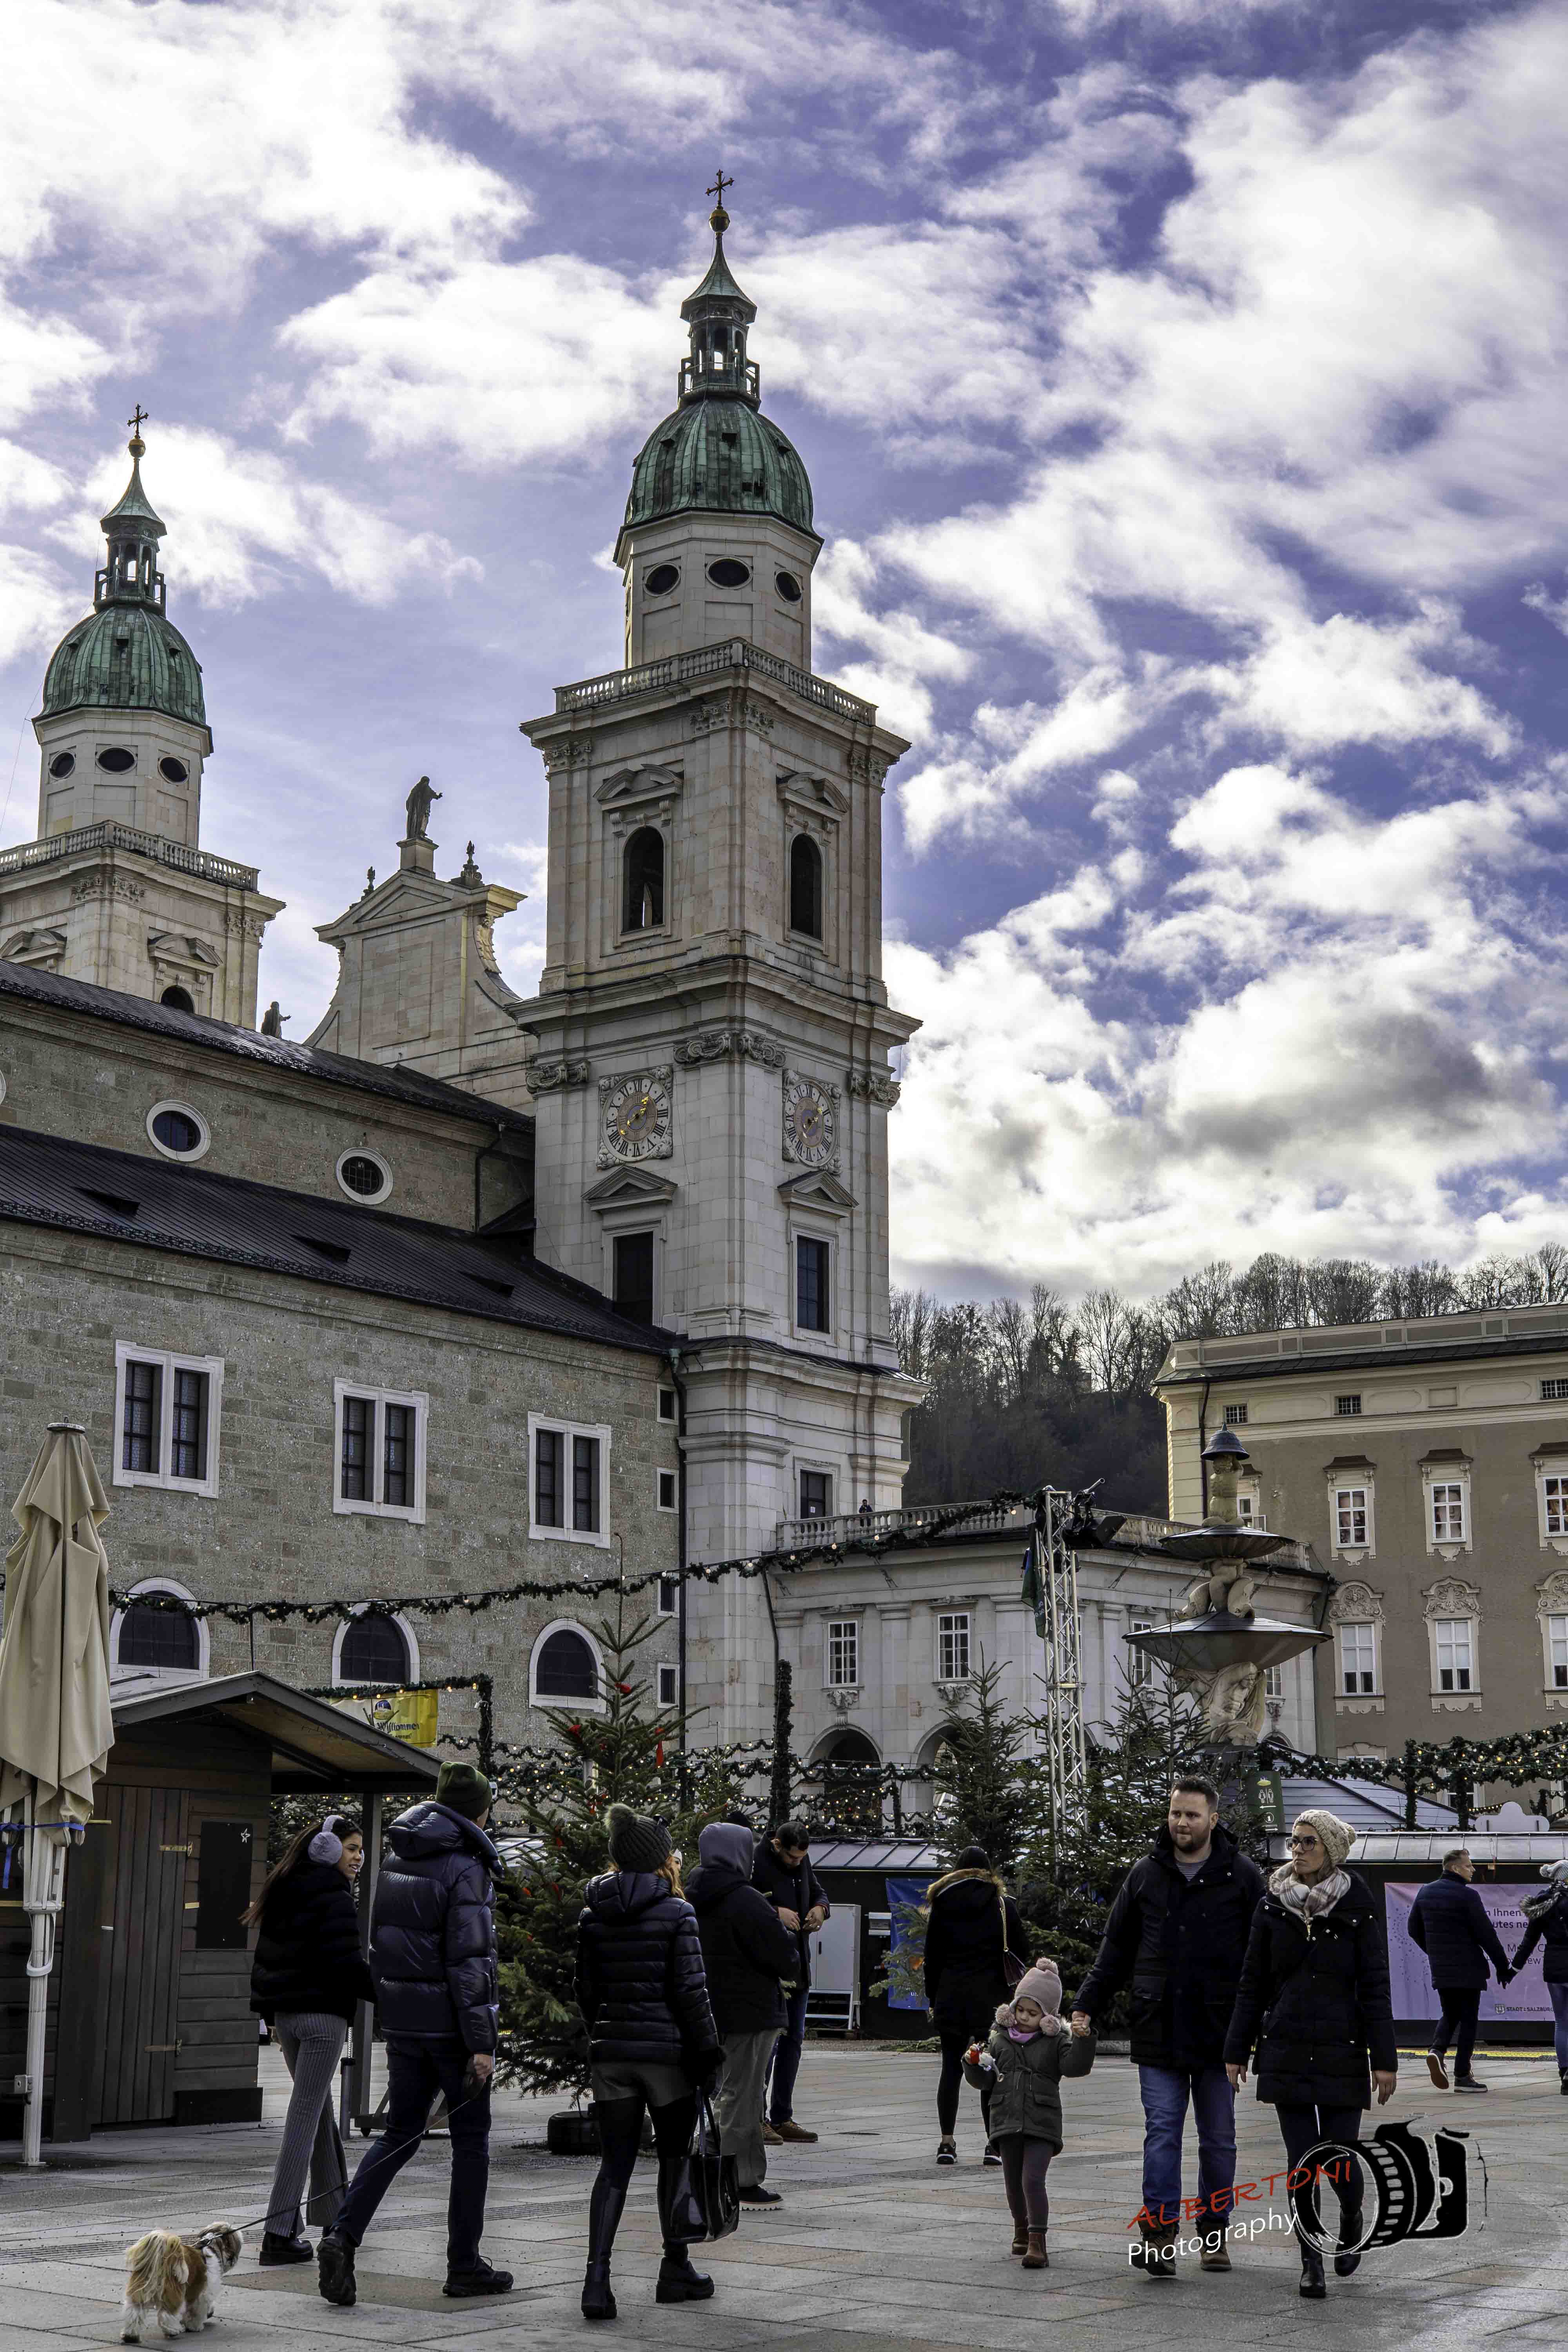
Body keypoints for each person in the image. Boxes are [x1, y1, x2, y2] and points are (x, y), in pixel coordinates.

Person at [317, 1763, 508, 2308]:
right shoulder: (466, 1867)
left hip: (404, 2025)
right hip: (452, 2027)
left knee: (399, 2133)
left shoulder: (397, 1855)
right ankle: (464, 2264)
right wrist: (481, 2042)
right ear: (478, 1810)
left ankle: (342, 2235)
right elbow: (470, 1963)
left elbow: (385, 1944)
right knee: (471, 2143)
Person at [1071, 1777, 1264, 2279]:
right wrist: (1084, 2004)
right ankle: (1158, 2236)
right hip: (1157, 2027)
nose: (1181, 1822)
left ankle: (1215, 2231)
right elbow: (1115, 1949)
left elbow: (1263, 1958)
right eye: (1176, 1813)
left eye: (1192, 1815)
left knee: (1218, 2138)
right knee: (1161, 2135)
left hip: (1220, 2032)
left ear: (1213, 1820)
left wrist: (1256, 2026)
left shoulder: (1242, 1876)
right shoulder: (1146, 1874)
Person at [1225, 1810, 1398, 2300]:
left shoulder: (1357, 1906)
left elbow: (1375, 1986)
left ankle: (1350, 2215)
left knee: (1339, 2161)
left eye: (1308, 1843)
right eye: (1294, 1842)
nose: (1297, 1850)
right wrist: (1236, 2051)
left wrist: (1383, 2059)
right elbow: (1251, 1983)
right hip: (1287, 2046)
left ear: (1330, 1851)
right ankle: (1311, 2261)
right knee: (1302, 2161)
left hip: (1343, 2048)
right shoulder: (1271, 1904)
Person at [575, 1803, 724, 2321]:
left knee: (613, 2167)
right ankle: (674, 2268)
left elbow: (586, 1990)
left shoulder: (593, 1913)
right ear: (660, 1859)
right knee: (674, 2157)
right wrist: (707, 2051)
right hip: (667, 2058)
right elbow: (691, 1992)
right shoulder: (677, 1913)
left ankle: (597, 2282)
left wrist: (605, 2035)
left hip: (612, 2055)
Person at [245, 1812, 375, 2265]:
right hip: (323, 2021)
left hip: (288, 2019)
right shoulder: (335, 1895)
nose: (359, 1857)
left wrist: (270, 2015)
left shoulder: (283, 1887)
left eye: (361, 1849)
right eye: (353, 1848)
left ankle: (335, 2217)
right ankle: (278, 2234)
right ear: (326, 1848)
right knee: (303, 2120)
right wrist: (388, 1996)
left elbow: (265, 1960)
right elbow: (348, 1961)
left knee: (318, 2114)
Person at [690, 1822, 800, 2207]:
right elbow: (785, 1961)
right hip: (751, 2013)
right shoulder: (747, 1900)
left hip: (704, 2012)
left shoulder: (689, 1896)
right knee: (744, 2097)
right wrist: (790, 1946)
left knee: (721, 2092)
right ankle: (741, 2178)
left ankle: (707, 2163)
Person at [962, 1962, 1096, 2270]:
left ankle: (1038, 2241)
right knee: (1012, 2183)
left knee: (1032, 2180)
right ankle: (1020, 2228)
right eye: (1020, 2010)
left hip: (1041, 2122)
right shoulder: (998, 2040)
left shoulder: (1056, 2042)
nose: (1024, 2018)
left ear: (1048, 2017)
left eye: (1033, 2013)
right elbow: (984, 2081)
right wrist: (972, 2063)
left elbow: (1076, 2066)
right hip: (1006, 2120)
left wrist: (1084, 2039)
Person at [922, 1844, 1029, 2165]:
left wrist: (933, 1998)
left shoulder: (941, 1903)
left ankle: (947, 2143)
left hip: (952, 1996)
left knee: (950, 2071)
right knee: (989, 2067)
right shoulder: (1001, 1905)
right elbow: (1021, 1949)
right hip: (990, 1999)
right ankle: (992, 2145)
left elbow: (932, 1958)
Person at [1410, 1847, 1512, 2091]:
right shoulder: (1468, 1896)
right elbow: (1486, 1935)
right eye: (1469, 1866)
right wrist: (1503, 1966)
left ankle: (1437, 2050)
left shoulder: (1425, 1893)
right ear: (1455, 1868)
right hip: (1469, 1969)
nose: (1473, 1870)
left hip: (1441, 1968)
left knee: (1450, 2013)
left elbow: (1413, 1929)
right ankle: (1463, 2076)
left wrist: (1434, 1952)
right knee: (1468, 2021)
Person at [752, 1819, 829, 2143]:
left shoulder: (802, 1860)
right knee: (767, 2045)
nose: (798, 1863)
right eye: (793, 1858)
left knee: (793, 2042)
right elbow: (744, 1904)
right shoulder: (756, 1862)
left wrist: (820, 1909)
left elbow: (818, 1889)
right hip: (769, 1968)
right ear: (777, 1845)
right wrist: (776, 1912)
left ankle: (782, 2116)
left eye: (802, 1858)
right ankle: (757, 2118)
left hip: (798, 1966)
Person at [1511, 1860, 1568, 2091]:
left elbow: (1529, 1941)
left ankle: (1565, 2073)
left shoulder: (1543, 1903)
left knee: (1562, 2023)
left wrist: (1513, 1969)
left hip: (1554, 1969)